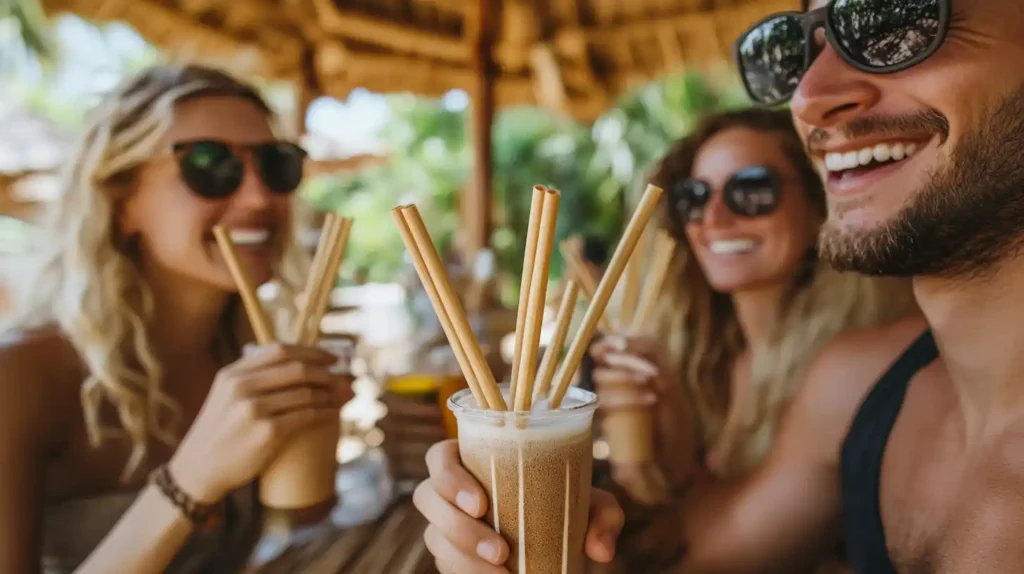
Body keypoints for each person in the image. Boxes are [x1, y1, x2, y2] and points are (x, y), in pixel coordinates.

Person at [412, 0, 1024, 571]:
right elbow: (679, 552)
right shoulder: (857, 388)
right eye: (797, 51)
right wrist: (522, 533)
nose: (809, 96)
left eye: (894, 19)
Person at [0, 64, 352, 573]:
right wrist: (191, 479)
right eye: (209, 165)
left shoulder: (247, 354)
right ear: (121, 201)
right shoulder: (22, 378)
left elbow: (306, 520)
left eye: (276, 166)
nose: (259, 198)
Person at [588, 108, 914, 570]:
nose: (715, 218)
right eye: (695, 197)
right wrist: (643, 459)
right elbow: (662, 530)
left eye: (752, 190)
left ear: (819, 205)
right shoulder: (702, 362)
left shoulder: (858, 367)